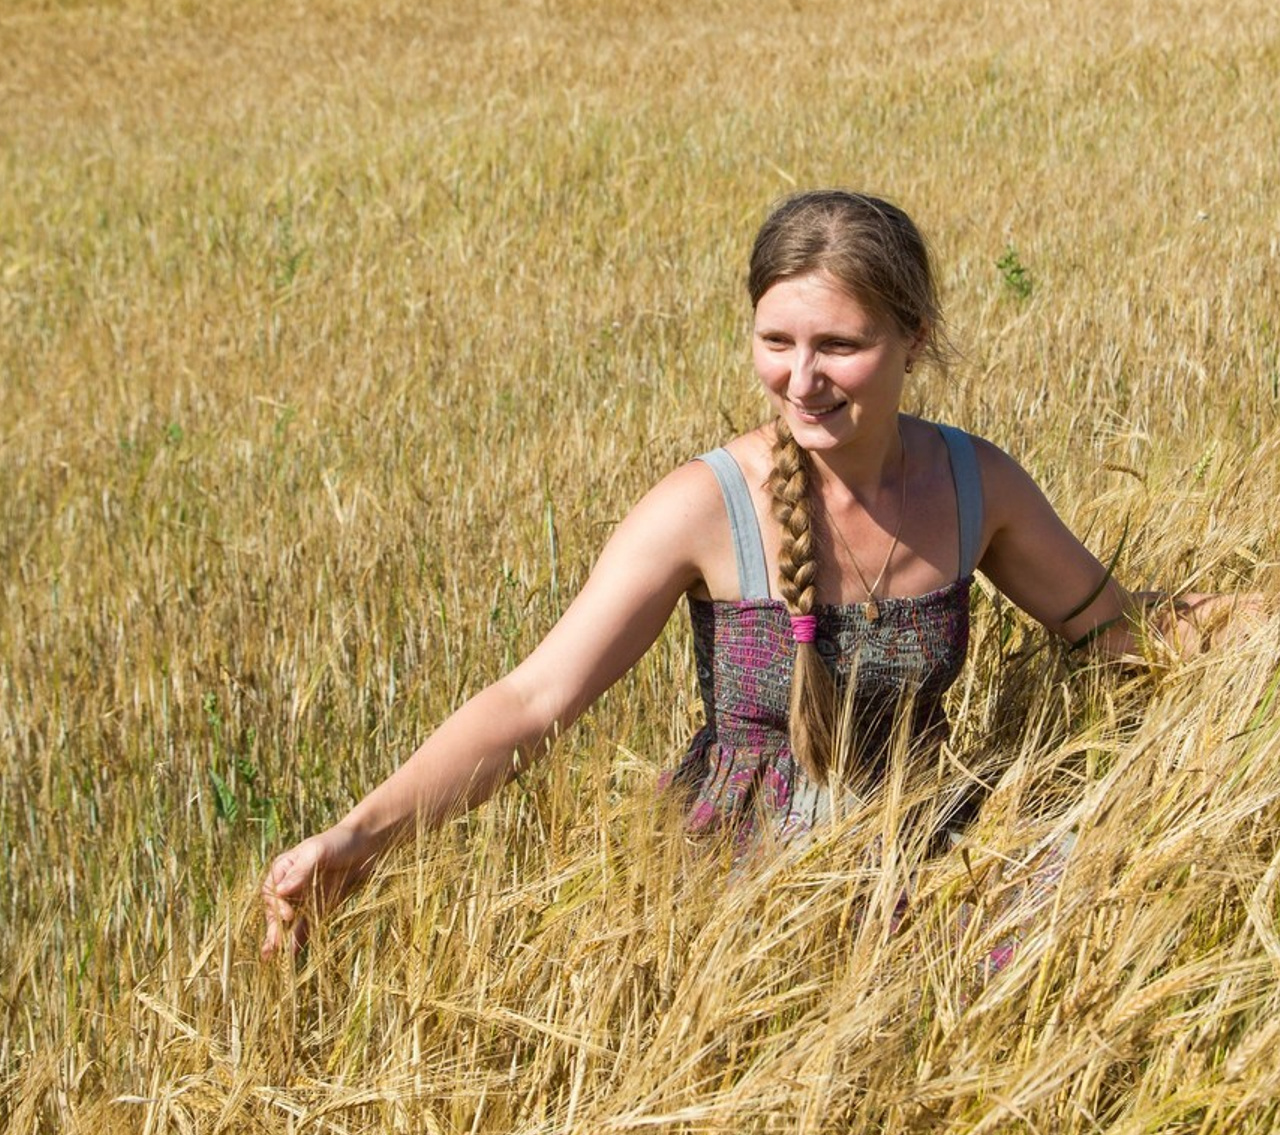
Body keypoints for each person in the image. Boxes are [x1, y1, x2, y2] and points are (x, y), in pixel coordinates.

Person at [261, 189, 1240, 958]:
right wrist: (357, 835)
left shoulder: (974, 483)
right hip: (739, 885)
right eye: (776, 341)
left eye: (838, 346)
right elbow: (532, 698)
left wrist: (1247, 625)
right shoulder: (701, 506)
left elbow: (1114, 631)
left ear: (914, 340)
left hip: (933, 851)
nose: (800, 377)